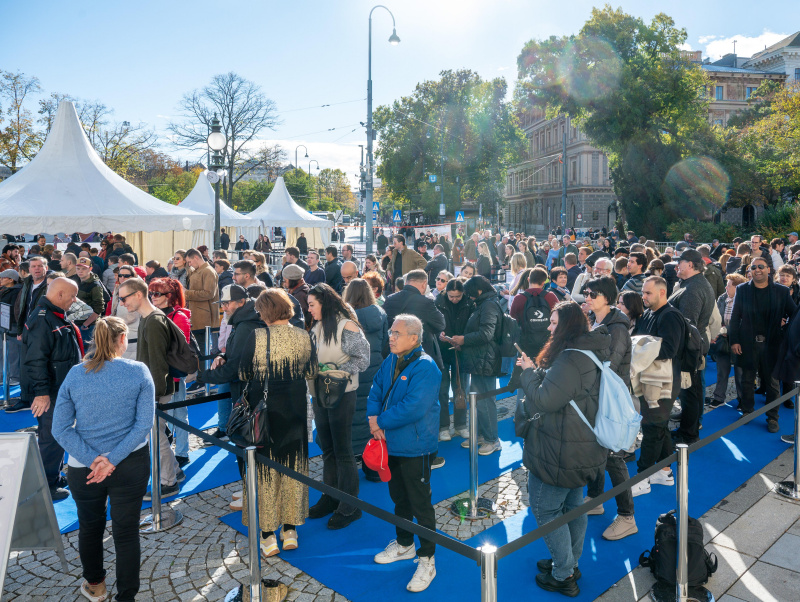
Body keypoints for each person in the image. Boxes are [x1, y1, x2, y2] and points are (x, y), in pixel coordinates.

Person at [52, 317, 154, 602]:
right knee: (126, 531)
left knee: (90, 527)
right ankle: (126, 596)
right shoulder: (138, 371)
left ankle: (95, 585)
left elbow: (59, 428)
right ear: (122, 338)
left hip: (84, 468)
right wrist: (111, 460)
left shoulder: (75, 373)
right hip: (130, 462)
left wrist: (93, 459)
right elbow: (143, 424)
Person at [516, 301, 609, 597]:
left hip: (561, 447)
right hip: (579, 443)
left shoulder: (570, 358)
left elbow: (544, 400)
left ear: (567, 326)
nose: (549, 327)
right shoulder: (587, 350)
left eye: (554, 323)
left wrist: (529, 373)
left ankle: (564, 572)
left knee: (545, 508)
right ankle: (568, 561)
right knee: (572, 505)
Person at [235, 288, 316, 556]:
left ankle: (268, 535)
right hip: (294, 410)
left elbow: (244, 372)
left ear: (266, 312)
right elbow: (312, 371)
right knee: (293, 467)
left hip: (264, 413)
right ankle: (290, 529)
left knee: (264, 471)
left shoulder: (257, 336)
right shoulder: (304, 335)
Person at [368, 314, 441, 593]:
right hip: (391, 444)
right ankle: (404, 544)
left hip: (415, 446)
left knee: (421, 504)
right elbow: (375, 389)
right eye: (391, 333)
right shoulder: (390, 360)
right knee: (399, 498)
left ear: (414, 337)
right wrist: (374, 419)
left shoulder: (426, 366)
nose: (391, 337)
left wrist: (379, 422)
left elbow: (414, 406)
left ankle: (428, 559)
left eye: (397, 333)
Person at [306, 283, 370, 529]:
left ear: (325, 302)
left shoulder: (347, 325)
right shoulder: (319, 327)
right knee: (329, 449)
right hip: (320, 393)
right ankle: (331, 497)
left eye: (312, 304)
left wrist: (335, 372)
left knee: (342, 450)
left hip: (343, 394)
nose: (309, 309)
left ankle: (349, 505)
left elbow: (363, 359)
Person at [581, 276, 638, 541]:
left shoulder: (617, 328)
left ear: (608, 297)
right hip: (599, 397)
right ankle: (596, 498)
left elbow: (608, 366)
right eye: (586, 292)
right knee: (595, 449)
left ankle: (627, 517)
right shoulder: (600, 322)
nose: (588, 296)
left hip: (610, 400)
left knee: (614, 456)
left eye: (593, 293)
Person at [117, 277, 181, 499]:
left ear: (137, 294)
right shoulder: (148, 317)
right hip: (153, 388)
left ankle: (168, 482)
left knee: (156, 436)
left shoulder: (153, 320)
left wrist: (152, 396)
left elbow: (157, 364)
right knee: (157, 433)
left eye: (124, 298)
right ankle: (175, 472)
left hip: (156, 391)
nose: (122, 303)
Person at [23, 277, 83, 499]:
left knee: (56, 434)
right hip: (51, 391)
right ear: (59, 295)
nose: (74, 300)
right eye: (72, 296)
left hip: (59, 388)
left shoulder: (53, 314)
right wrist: (41, 393)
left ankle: (54, 476)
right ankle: (46, 485)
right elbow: (36, 359)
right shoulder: (43, 319)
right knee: (51, 437)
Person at [729, 257, 796, 433]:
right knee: (747, 381)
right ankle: (747, 411)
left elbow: (795, 314)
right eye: (753, 267)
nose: (757, 269)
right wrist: (734, 340)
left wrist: (786, 332)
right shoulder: (742, 289)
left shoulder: (781, 291)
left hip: (773, 344)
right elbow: (735, 317)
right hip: (747, 343)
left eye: (761, 266)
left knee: (772, 383)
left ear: (769, 269)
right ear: (749, 270)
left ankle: (772, 417)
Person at [632, 277, 685, 497]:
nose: (643, 297)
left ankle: (642, 477)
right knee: (659, 426)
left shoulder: (671, 316)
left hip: (664, 383)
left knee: (652, 427)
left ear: (662, 292)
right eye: (643, 293)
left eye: (648, 293)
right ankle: (664, 471)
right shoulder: (648, 314)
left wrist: (641, 350)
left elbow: (670, 350)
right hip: (651, 379)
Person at [343, 279, 389, 481]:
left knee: (351, 415)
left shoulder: (344, 317)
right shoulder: (380, 313)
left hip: (352, 370)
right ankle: (373, 467)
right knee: (373, 415)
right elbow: (387, 344)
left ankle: (350, 466)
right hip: (375, 369)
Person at [668, 249, 716, 444]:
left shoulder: (693, 289)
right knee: (689, 392)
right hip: (692, 346)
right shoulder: (692, 284)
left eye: (680, 262)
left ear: (690, 265)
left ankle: (689, 433)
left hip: (690, 348)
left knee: (691, 391)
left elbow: (688, 324)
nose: (677, 266)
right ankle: (689, 424)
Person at [452, 276, 503, 455]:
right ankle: (482, 435)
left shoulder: (488, 305)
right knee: (479, 400)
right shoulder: (485, 303)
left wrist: (464, 339)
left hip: (486, 359)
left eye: (470, 293)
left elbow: (487, 333)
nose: (469, 297)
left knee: (485, 401)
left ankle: (492, 439)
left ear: (478, 291)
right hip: (479, 359)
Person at [148, 278, 193, 467]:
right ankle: (171, 448)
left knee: (179, 414)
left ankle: (182, 452)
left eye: (157, 294)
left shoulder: (179, 317)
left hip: (173, 374)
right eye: (151, 293)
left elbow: (181, 349)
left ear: (170, 296)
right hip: (157, 374)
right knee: (164, 416)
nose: (153, 297)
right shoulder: (153, 314)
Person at [383, 269, 445, 372]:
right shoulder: (426, 302)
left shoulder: (390, 299)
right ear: (424, 283)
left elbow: (385, 324)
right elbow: (441, 325)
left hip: (395, 353)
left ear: (406, 282)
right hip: (419, 354)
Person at [435, 278, 473, 440]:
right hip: (443, 351)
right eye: (451, 296)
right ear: (446, 292)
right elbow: (432, 325)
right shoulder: (438, 301)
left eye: (457, 296)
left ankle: (460, 425)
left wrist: (464, 339)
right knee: (442, 390)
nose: (454, 299)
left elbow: (473, 326)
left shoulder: (469, 303)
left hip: (461, 351)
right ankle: (443, 427)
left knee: (461, 389)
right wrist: (439, 334)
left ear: (463, 293)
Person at [708, 273, 746, 408]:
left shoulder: (743, 299)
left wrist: (730, 330)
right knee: (721, 371)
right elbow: (716, 317)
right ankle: (718, 397)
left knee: (740, 373)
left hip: (739, 341)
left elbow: (745, 322)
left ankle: (742, 400)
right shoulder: (722, 298)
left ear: (737, 288)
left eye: (729, 285)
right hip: (722, 340)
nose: (726, 288)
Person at [183, 248, 221, 350]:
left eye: (190, 261)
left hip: (204, 319)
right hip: (198, 318)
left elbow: (209, 293)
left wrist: (186, 293)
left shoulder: (208, 271)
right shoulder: (198, 271)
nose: (189, 264)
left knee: (204, 350)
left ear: (196, 257)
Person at [110, 266, 141, 360]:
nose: (122, 278)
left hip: (132, 337)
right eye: (120, 275)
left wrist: (113, 322)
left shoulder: (135, 291)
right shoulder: (119, 289)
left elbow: (131, 316)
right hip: (121, 336)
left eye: (126, 276)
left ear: (133, 276)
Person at [75, 256, 105, 343]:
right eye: (78, 268)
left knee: (88, 352)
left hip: (88, 326)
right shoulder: (77, 281)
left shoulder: (95, 285)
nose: (80, 271)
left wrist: (86, 324)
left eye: (84, 268)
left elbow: (99, 308)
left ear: (90, 269)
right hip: (78, 323)